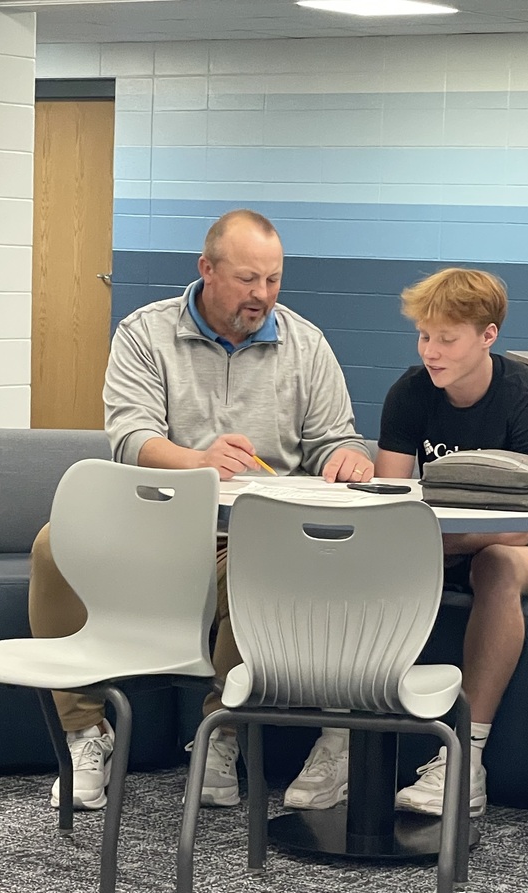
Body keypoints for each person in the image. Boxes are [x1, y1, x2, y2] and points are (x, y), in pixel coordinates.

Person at [30, 208, 374, 812]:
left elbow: (333, 438)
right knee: (53, 544)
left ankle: (221, 736)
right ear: (206, 270)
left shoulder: (306, 344)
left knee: (258, 556)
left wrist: (348, 456)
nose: (261, 295)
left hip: (253, 535)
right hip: (154, 527)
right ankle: (86, 732)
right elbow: (131, 436)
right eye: (247, 279)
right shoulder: (144, 333)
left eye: (273, 279)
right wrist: (196, 460)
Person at [374, 267, 528, 819]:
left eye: (446, 338)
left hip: (520, 545)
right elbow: (387, 495)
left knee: (497, 565)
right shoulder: (410, 392)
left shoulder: (525, 395)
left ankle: (466, 759)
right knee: (363, 563)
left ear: (487, 336)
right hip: (440, 542)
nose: (431, 351)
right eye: (424, 336)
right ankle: (341, 741)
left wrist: (440, 544)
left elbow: (522, 525)